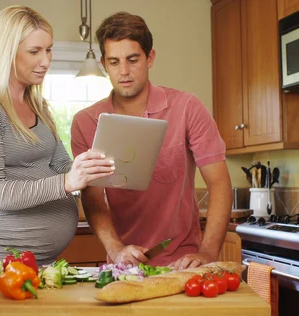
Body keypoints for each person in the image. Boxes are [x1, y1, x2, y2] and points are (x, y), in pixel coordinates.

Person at [71, 12, 232, 270]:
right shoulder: (85, 122)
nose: (124, 71)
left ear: (150, 58)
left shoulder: (187, 107)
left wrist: (208, 253)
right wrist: (116, 249)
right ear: (103, 64)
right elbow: (93, 198)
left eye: (132, 59)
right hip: (124, 265)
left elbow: (220, 183)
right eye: (114, 62)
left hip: (183, 263)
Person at [0, 6, 115, 264]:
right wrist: (66, 182)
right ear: (6, 52)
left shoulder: (39, 107)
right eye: (34, 51)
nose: (46, 61)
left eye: (49, 49)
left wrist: (91, 165)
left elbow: (60, 165)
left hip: (40, 264)